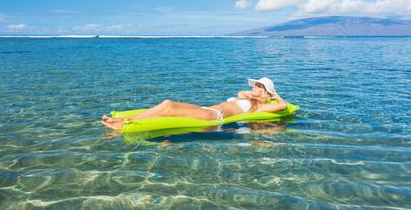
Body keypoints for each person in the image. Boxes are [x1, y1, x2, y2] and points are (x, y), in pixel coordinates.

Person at [101, 77, 287, 130]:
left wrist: (273, 93)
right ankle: (127, 118)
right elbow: (244, 92)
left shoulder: (261, 106)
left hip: (216, 116)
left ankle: (124, 123)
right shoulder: (244, 97)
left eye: (258, 86)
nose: (253, 87)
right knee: (167, 103)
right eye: (254, 84)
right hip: (205, 109)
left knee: (170, 110)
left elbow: (283, 106)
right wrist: (256, 92)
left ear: (265, 92)